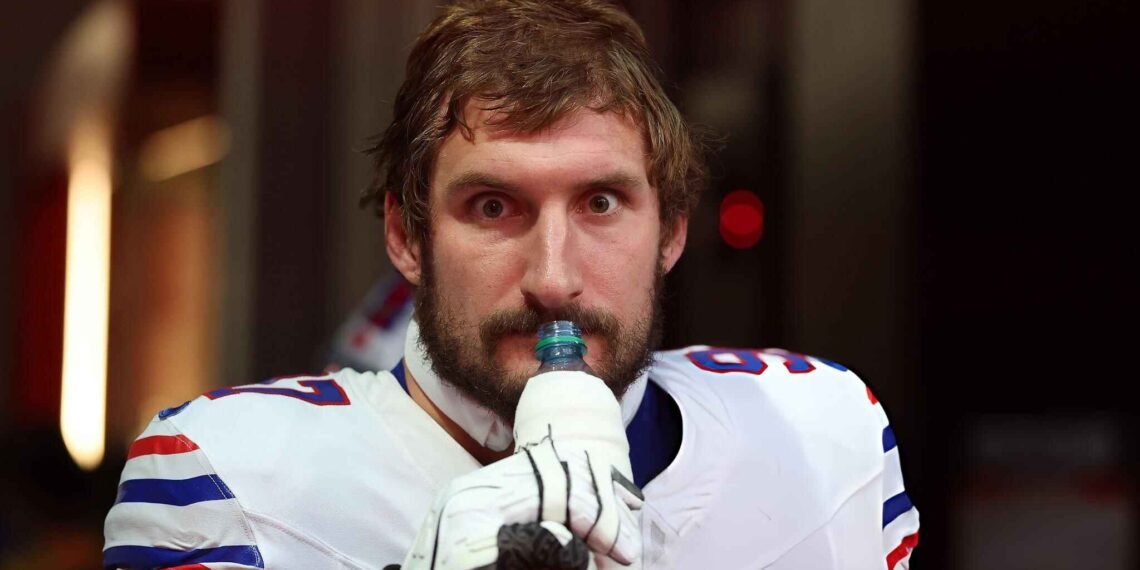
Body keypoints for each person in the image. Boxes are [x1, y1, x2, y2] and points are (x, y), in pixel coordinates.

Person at [103, 1, 919, 568]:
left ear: (671, 230)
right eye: (494, 206)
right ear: (405, 234)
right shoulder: (228, 478)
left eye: (601, 202)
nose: (554, 279)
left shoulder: (824, 437)